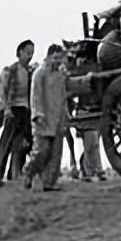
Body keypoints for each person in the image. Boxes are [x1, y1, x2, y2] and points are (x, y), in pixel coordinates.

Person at [22, 44, 95, 192]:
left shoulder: (61, 75)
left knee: (56, 152)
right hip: (43, 118)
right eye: (55, 58)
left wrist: (66, 114)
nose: (57, 61)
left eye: (59, 58)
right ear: (48, 57)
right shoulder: (39, 74)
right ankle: (29, 171)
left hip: (58, 117)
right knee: (42, 151)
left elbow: (65, 93)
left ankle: (49, 182)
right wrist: (37, 114)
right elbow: (35, 96)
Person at [0, 39, 35, 187]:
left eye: (32, 53)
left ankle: (15, 176)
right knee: (6, 143)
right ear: (20, 52)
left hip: (24, 110)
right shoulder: (11, 70)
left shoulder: (29, 72)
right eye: (27, 52)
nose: (30, 56)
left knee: (19, 145)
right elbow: (2, 90)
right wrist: (7, 108)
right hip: (13, 109)